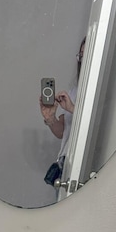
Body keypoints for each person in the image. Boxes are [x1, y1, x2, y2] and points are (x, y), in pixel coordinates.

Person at [40, 38, 85, 166]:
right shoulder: (75, 91)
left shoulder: (102, 92)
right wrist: (50, 118)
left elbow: (96, 125)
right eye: (81, 55)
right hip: (66, 163)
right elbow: (62, 132)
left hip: (85, 164)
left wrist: (72, 108)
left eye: (87, 55)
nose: (82, 60)